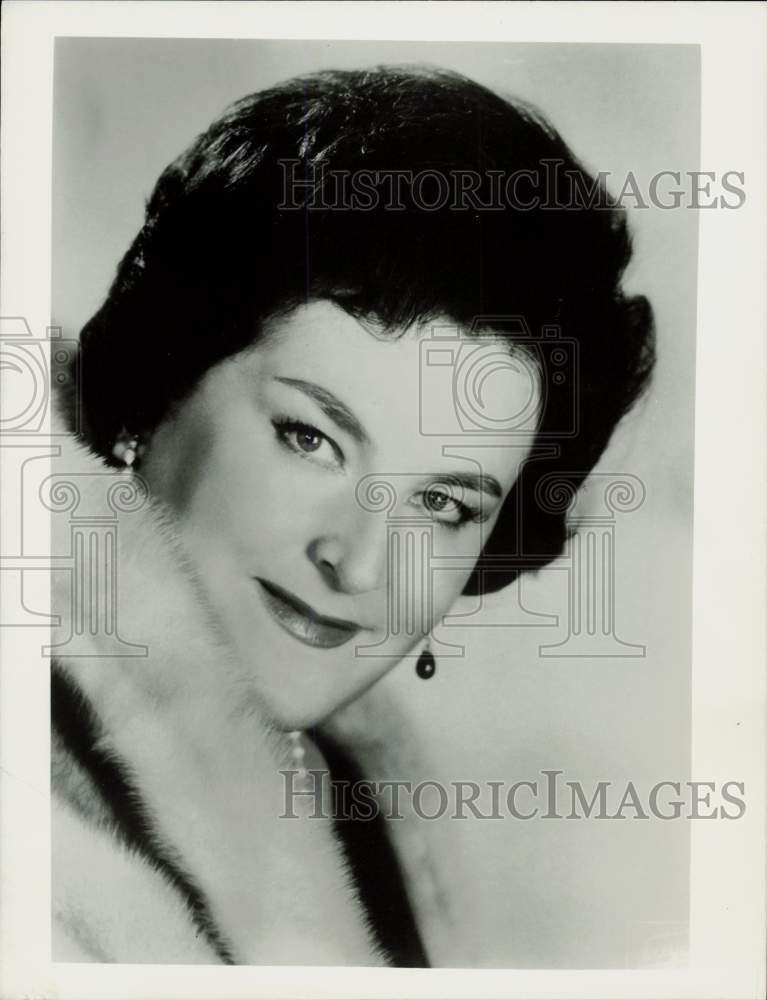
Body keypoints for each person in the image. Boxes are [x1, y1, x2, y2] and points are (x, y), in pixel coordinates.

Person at [50, 66, 655, 965]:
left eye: (444, 503)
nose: (361, 561)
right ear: (158, 383)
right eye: (310, 439)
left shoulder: (375, 803)